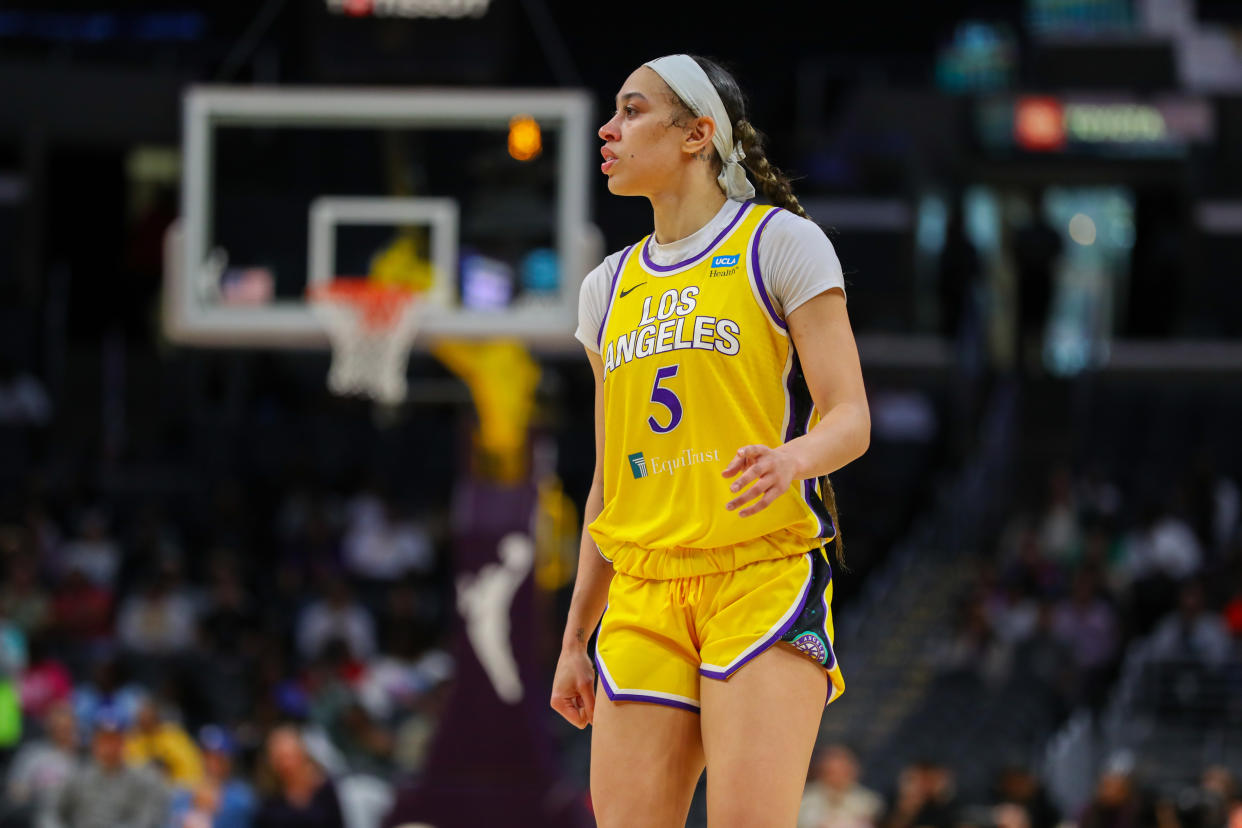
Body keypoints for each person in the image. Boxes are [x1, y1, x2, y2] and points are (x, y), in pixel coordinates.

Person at [550, 54, 870, 827]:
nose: (609, 127)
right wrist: (574, 639)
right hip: (644, 591)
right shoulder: (607, 287)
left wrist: (792, 458)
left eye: (632, 110)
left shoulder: (781, 243)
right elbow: (606, 485)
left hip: (759, 574)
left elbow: (851, 415)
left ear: (697, 134)